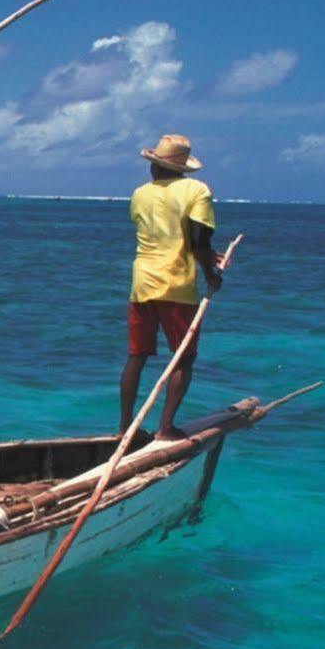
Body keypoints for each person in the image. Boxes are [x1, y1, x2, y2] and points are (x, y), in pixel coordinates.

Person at [125, 134, 223, 440]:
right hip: (177, 284)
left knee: (136, 356)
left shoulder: (140, 194)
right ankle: (165, 428)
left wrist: (204, 254)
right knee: (183, 357)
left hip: (142, 282)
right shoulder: (196, 190)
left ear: (155, 167)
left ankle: (124, 426)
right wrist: (211, 271)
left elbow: (162, 234)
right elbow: (198, 239)